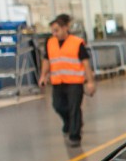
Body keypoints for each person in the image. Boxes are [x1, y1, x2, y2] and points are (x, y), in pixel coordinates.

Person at [39, 13, 95, 147]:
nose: (54, 33)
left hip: (74, 82)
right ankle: (70, 123)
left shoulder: (77, 43)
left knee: (74, 108)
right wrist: (43, 76)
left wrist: (90, 81)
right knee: (58, 106)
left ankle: (75, 136)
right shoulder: (50, 42)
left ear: (65, 28)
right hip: (58, 81)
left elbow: (85, 63)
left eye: (57, 30)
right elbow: (47, 60)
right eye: (53, 31)